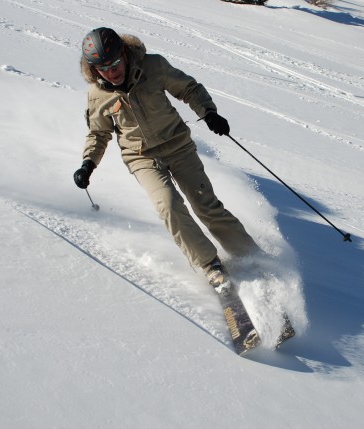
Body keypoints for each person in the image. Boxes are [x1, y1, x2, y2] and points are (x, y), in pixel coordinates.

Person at [73, 27, 258, 293]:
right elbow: (98, 133)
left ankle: (250, 256)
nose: (112, 72)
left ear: (124, 54)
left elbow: (188, 88)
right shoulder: (97, 95)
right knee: (169, 206)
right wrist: (88, 163)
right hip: (141, 157)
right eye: (103, 68)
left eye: (115, 63)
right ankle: (210, 265)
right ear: (94, 69)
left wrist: (208, 112)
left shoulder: (153, 66)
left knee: (206, 206)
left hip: (178, 146)